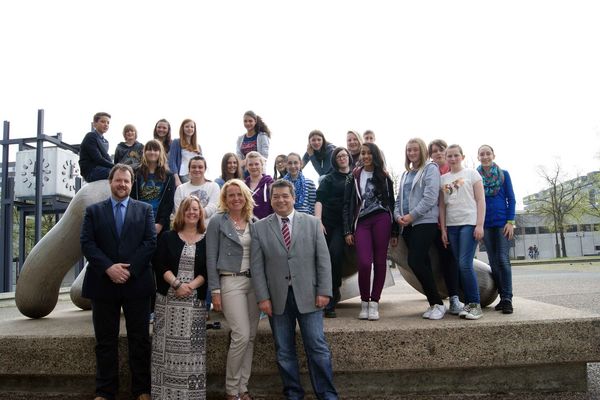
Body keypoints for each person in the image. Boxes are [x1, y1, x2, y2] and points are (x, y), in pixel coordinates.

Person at [250, 179, 338, 400]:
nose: (280, 200)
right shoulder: (259, 227)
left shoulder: (312, 223)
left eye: (285, 196)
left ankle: (326, 394)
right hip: (277, 299)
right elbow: (257, 267)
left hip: (310, 296)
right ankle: (293, 394)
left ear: (294, 197)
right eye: (276, 196)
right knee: (284, 351)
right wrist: (263, 297)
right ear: (270, 200)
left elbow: (323, 260)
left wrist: (325, 291)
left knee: (317, 347)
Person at [80, 164, 156, 400]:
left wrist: (128, 271)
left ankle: (142, 390)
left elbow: (150, 242)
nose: (122, 184)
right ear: (110, 182)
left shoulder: (144, 210)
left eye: (127, 181)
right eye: (118, 180)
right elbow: (87, 244)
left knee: (140, 340)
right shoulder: (94, 211)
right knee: (105, 342)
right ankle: (105, 391)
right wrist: (109, 268)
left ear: (132, 184)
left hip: (137, 285)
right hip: (103, 284)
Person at [207, 180, 260, 400]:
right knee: (241, 335)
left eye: (239, 194)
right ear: (225, 199)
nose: (236, 198)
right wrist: (215, 291)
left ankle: (243, 388)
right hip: (230, 282)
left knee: (251, 337)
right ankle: (231, 390)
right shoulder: (217, 221)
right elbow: (210, 258)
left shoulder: (254, 221)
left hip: (254, 284)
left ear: (246, 196)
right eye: (231, 195)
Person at [151, 195, 208, 399]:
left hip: (195, 302)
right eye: (188, 209)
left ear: (200, 213)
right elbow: (160, 265)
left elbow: (207, 271)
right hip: (169, 300)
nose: (192, 212)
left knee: (193, 352)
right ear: (181, 213)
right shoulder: (168, 237)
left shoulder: (206, 239)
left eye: (196, 209)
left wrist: (189, 286)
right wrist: (176, 284)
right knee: (164, 349)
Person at [343, 142, 398, 321]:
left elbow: (392, 203)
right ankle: (364, 301)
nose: (365, 156)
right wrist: (347, 230)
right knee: (364, 263)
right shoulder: (354, 175)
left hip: (381, 219)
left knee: (380, 261)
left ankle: (374, 302)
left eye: (369, 153)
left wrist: (395, 232)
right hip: (362, 222)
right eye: (363, 153)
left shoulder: (384, 176)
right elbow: (347, 204)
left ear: (375, 155)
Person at [394, 138, 446, 320]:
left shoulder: (430, 169)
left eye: (415, 150)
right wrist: (398, 216)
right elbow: (398, 198)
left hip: (424, 222)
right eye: (409, 150)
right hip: (407, 225)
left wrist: (412, 215)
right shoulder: (405, 174)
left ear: (422, 151)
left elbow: (430, 197)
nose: (412, 153)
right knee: (423, 263)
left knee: (415, 261)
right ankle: (434, 304)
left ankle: (438, 303)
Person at [439, 144, 486, 320]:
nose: (452, 158)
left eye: (456, 155)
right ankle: (468, 303)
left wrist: (479, 224)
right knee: (460, 265)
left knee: (465, 263)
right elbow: (442, 206)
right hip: (452, 226)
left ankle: (475, 304)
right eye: (449, 156)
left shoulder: (472, 174)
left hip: (469, 223)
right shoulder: (443, 179)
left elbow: (481, 200)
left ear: (462, 156)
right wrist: (443, 229)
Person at [477, 144, 516, 314]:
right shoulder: (475, 176)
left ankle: (507, 298)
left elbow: (511, 199)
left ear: (493, 155)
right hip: (485, 225)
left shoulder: (504, 175)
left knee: (502, 259)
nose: (485, 156)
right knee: (493, 262)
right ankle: (502, 296)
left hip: (502, 224)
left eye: (488, 153)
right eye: (482, 154)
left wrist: (510, 221)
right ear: (478, 157)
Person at [315, 147, 352, 318]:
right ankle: (322, 292)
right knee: (321, 257)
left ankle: (333, 293)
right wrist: (318, 221)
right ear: (335, 160)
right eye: (339, 156)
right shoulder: (329, 178)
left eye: (344, 155)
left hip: (343, 224)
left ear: (349, 158)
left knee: (334, 253)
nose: (342, 158)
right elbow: (319, 200)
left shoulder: (355, 177)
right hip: (326, 222)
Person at [428, 139, 463, 315]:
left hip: (455, 223)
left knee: (454, 261)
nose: (438, 153)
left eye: (441, 150)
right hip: (436, 225)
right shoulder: (429, 172)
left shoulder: (454, 173)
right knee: (441, 261)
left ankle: (456, 298)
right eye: (434, 151)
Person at [173, 156, 220, 224]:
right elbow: (179, 212)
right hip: (186, 230)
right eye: (193, 167)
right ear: (189, 169)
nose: (197, 169)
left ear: (205, 169)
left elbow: (212, 208)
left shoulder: (214, 186)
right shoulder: (180, 189)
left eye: (200, 167)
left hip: (208, 230)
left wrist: (192, 215)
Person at [79, 112, 114, 182]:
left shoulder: (105, 142)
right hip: (91, 171)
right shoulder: (90, 137)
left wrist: (121, 167)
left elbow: (107, 157)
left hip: (101, 169)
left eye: (108, 123)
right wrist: (115, 167)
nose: (106, 125)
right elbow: (98, 158)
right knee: (118, 173)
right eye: (103, 122)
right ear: (95, 124)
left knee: (123, 172)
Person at [168, 119, 202, 186]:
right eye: (187, 126)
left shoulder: (198, 146)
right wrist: (176, 179)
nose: (189, 129)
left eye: (192, 127)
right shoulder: (176, 142)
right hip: (183, 175)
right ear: (182, 128)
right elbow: (172, 162)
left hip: (196, 175)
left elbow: (202, 164)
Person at [245, 151, 274, 219]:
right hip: (248, 224)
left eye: (257, 164)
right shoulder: (243, 186)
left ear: (262, 165)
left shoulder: (270, 183)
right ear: (246, 166)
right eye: (250, 164)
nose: (254, 167)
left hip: (266, 224)